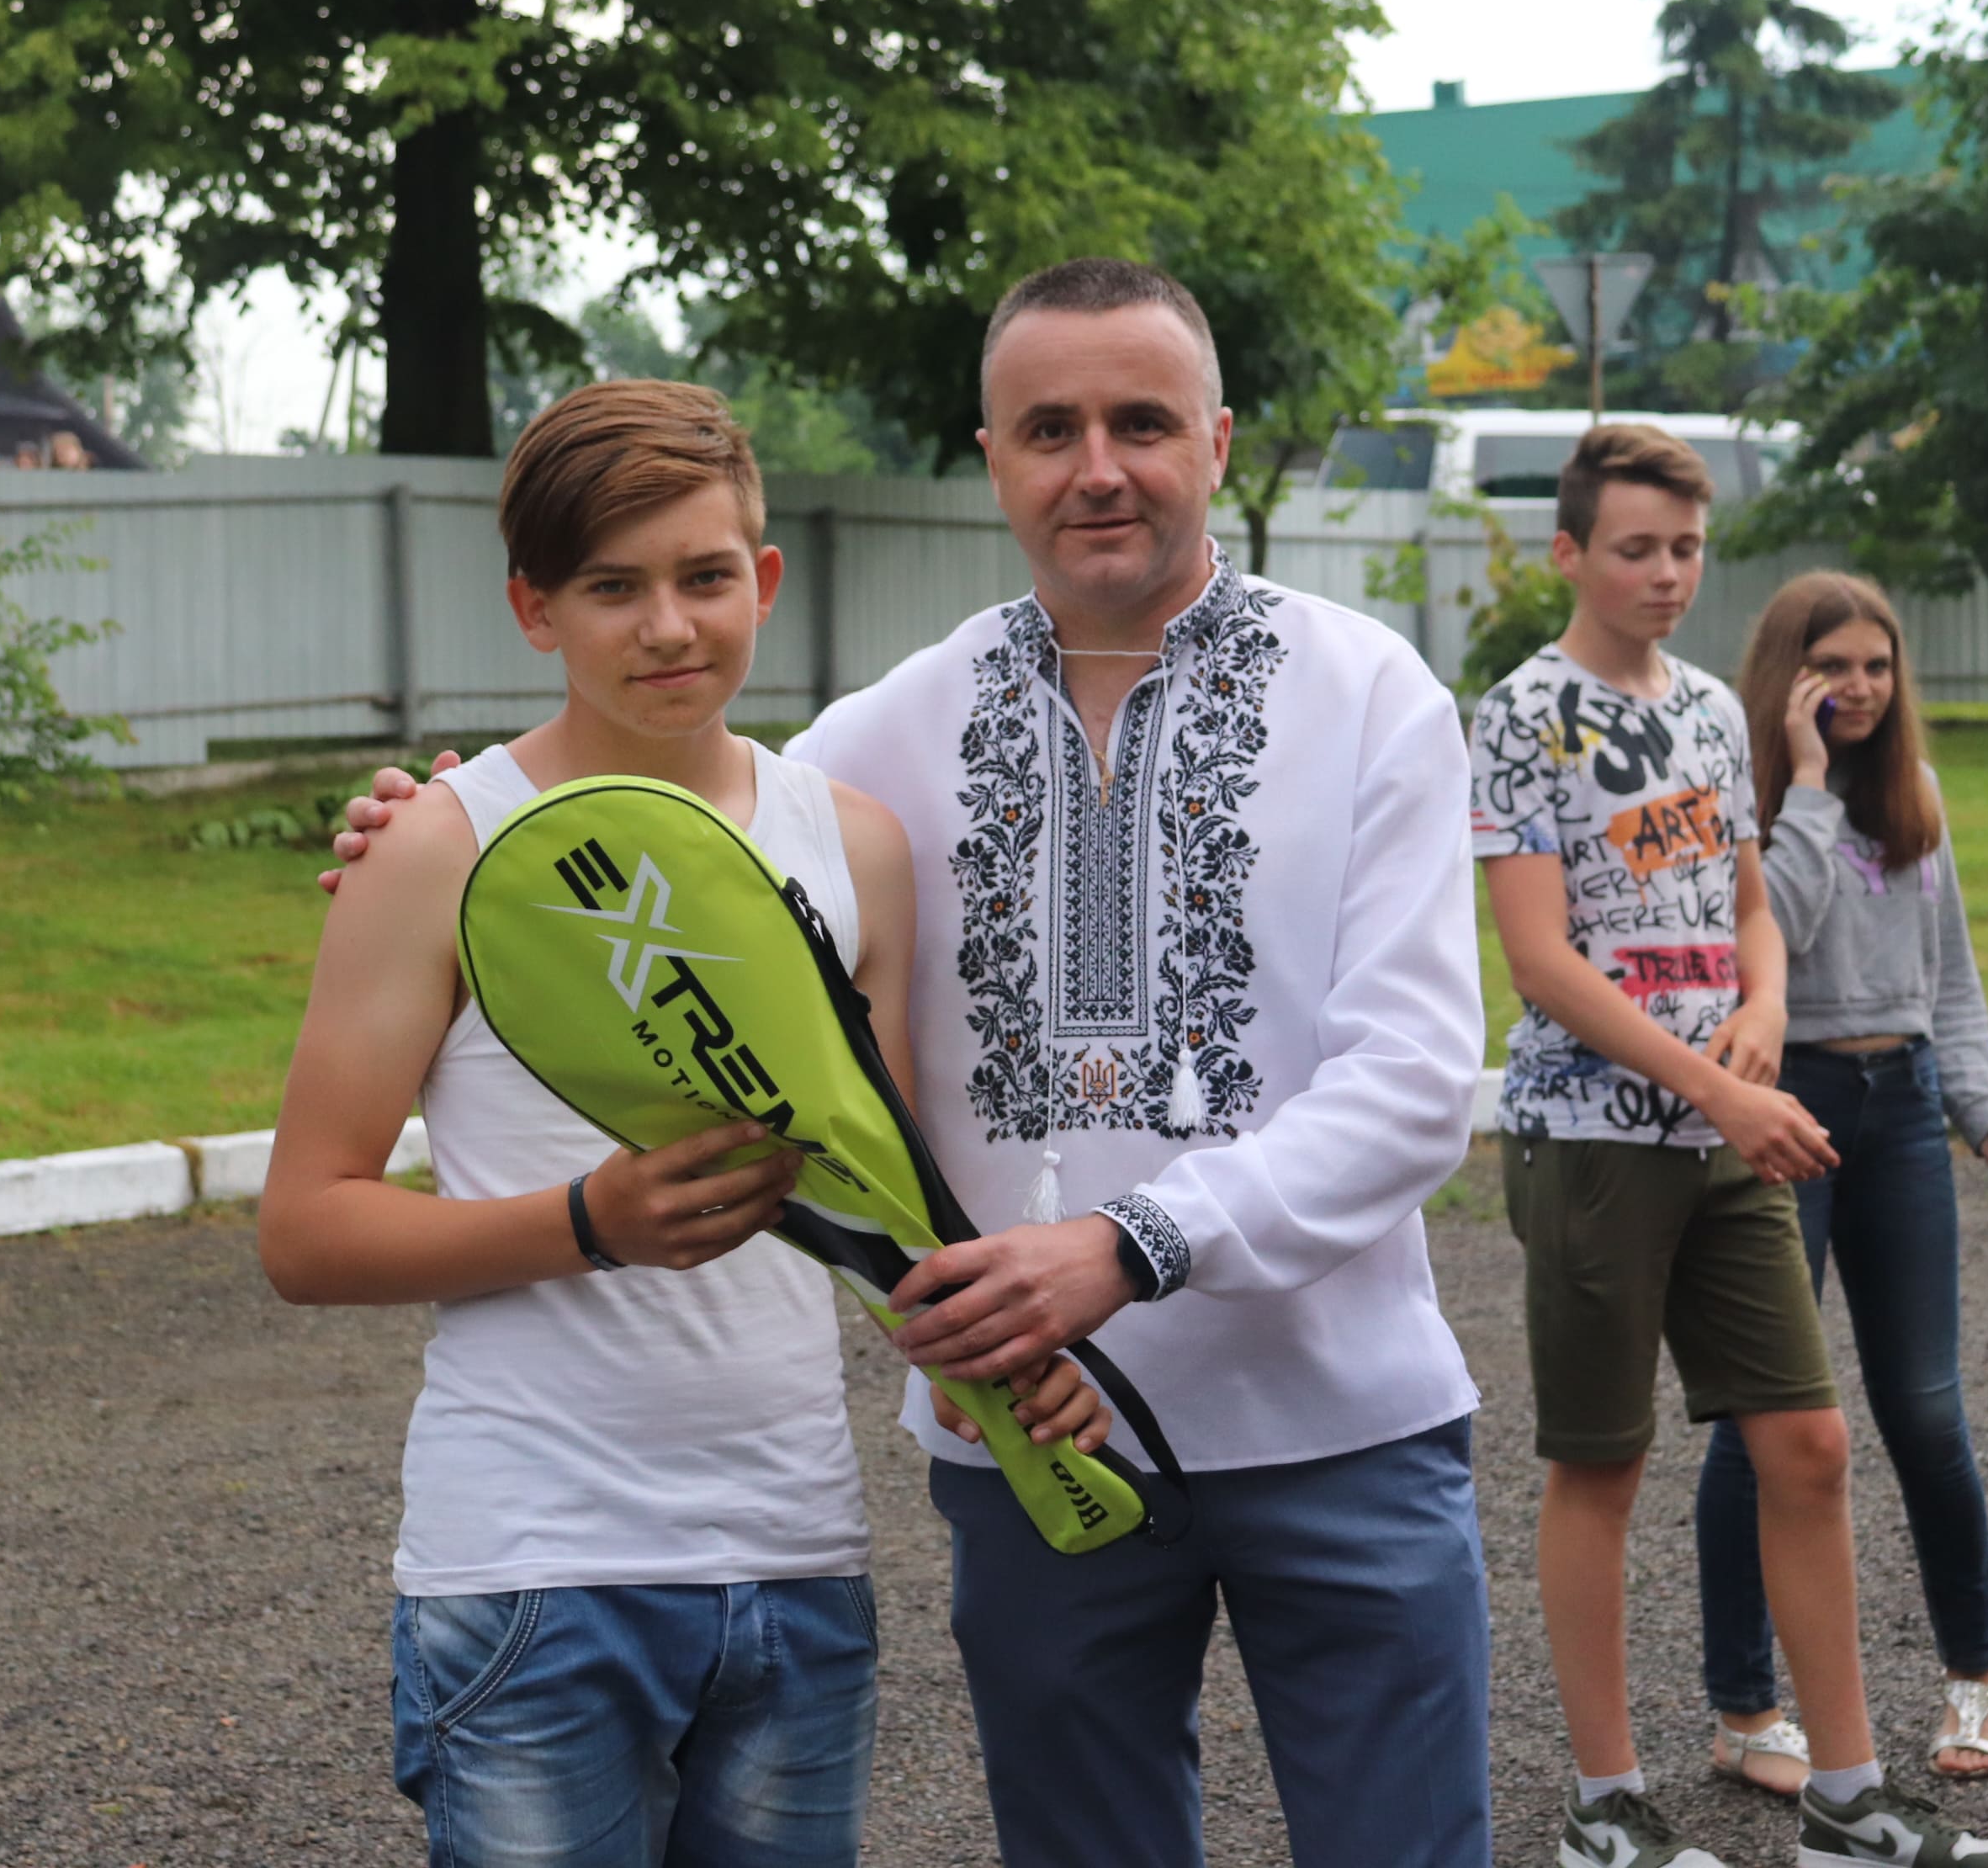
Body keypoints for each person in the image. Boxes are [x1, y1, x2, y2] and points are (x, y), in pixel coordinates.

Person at [340, 257, 1500, 1868]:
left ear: (1219, 441)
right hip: (1031, 1447)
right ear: (991, 458)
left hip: (1340, 1423)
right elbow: (683, 837)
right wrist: (435, 830)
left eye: (1144, 422)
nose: (1098, 467)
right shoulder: (883, 738)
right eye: (1050, 429)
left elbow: (1418, 1081)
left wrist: (1129, 1245)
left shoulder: (1372, 696)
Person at [258, 379, 1108, 1868]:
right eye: (613, 588)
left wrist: (1016, 1370)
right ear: (534, 608)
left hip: (797, 1562)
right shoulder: (439, 849)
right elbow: (304, 1229)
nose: (669, 628)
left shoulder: (854, 848)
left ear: (763, 580)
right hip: (528, 1572)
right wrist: (588, 1226)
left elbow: (884, 1210)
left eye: (706, 578)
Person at [1470, 427, 1988, 1868]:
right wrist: (1714, 1089)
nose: (1666, 574)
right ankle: (1607, 1807)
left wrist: (1767, 1005)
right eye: (1635, 549)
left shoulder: (1722, 712)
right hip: (1591, 1137)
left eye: (1686, 549)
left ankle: (1848, 1799)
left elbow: (1748, 909)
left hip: (1726, 1127)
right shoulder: (1521, 713)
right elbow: (1539, 961)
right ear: (1570, 554)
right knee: (1601, 1466)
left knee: (1808, 1442)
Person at [1691, 574, 1988, 1796]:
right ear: (1786, 677)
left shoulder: (1918, 796)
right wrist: (1805, 782)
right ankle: (1746, 1709)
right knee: (1760, 1421)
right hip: (1784, 1103)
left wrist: (1987, 1114)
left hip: (1900, 1105)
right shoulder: (1744, 799)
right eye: (1833, 667)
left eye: (1877, 666)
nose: (1859, 688)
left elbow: (1949, 981)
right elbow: (1779, 938)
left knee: (1925, 1410)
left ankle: (1974, 1679)